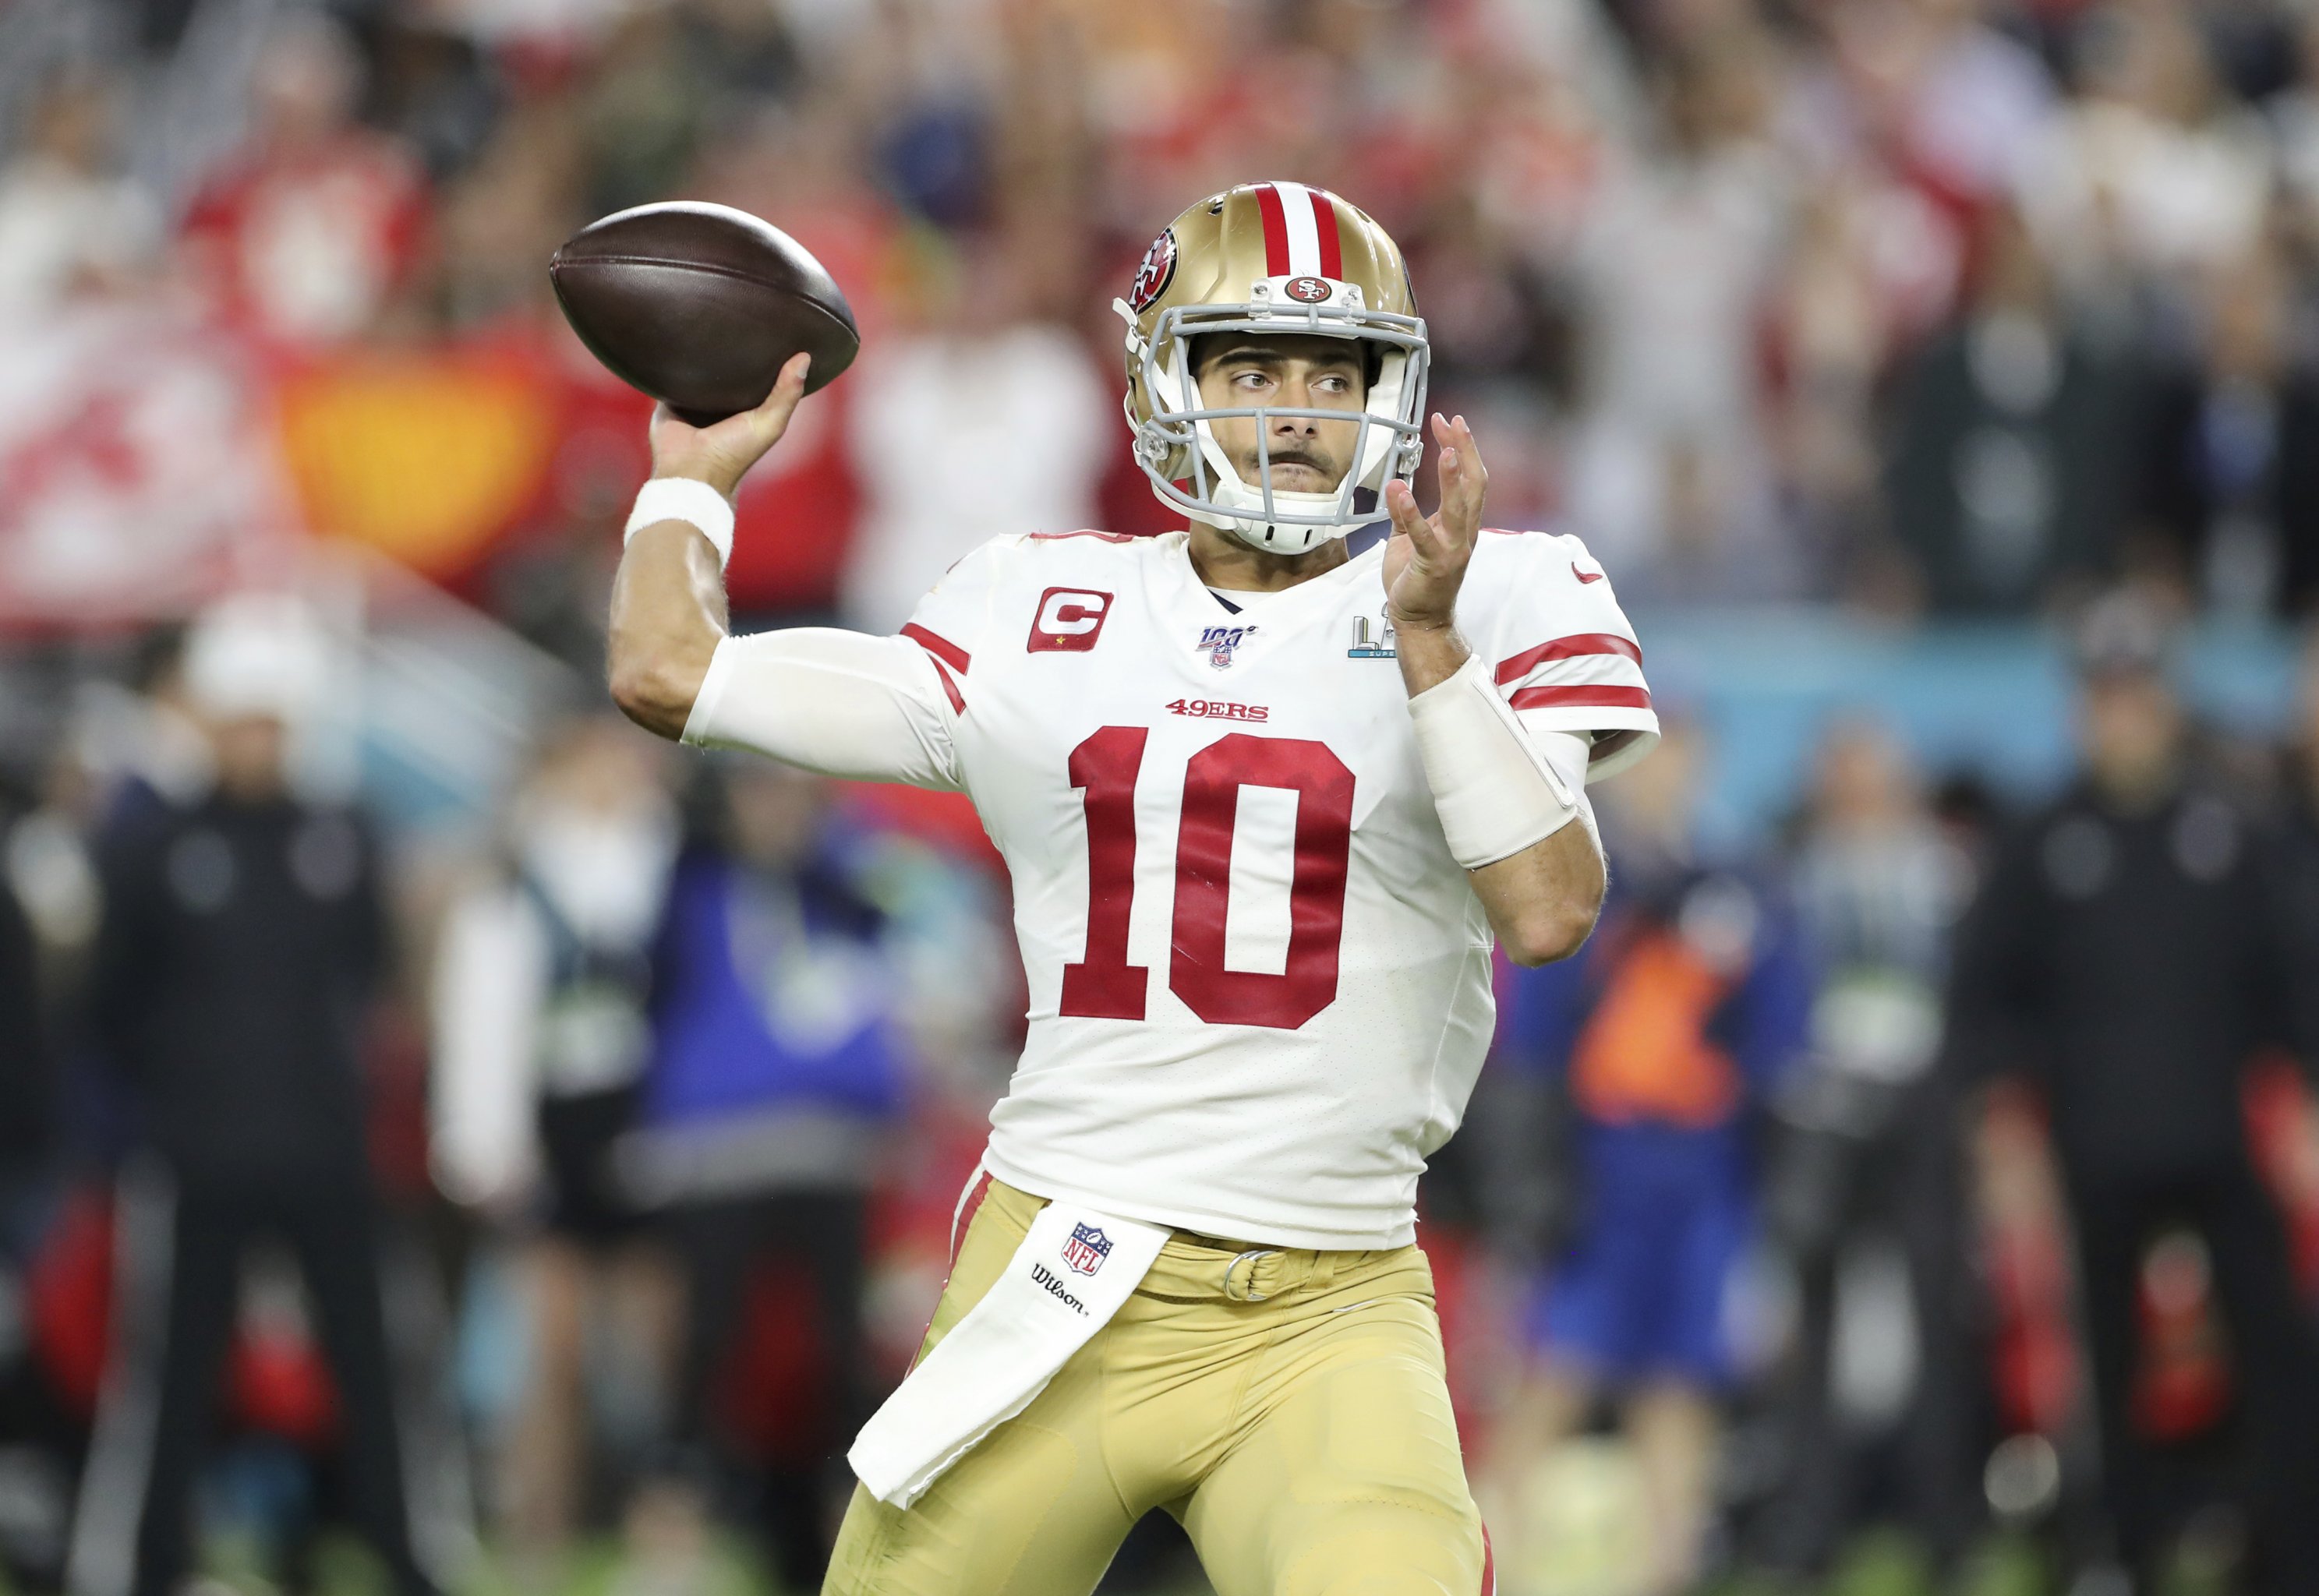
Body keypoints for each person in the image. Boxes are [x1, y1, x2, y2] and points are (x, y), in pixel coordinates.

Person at [602, 180, 1658, 1594]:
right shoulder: (1035, 603)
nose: (1295, 410)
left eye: (1333, 373)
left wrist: (1427, 642)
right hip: (1065, 1264)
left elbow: (1547, 908)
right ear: (1168, 383)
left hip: (1331, 1304)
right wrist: (690, 475)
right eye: (1252, 367)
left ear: (1393, 393)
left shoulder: (1502, 587)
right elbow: (674, 672)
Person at [66, 598, 444, 1596]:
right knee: (172, 1371)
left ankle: (408, 1548)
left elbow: (369, 981)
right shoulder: (155, 844)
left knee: (371, 1361)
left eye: (271, 720)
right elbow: (111, 1002)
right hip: (197, 1153)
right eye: (240, 718)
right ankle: (143, 1560)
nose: (255, 741)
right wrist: (162, 1110)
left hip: (324, 1148)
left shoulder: (341, 836)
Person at [1944, 595, 2319, 1595]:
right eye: (2104, 697)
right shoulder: (2041, 841)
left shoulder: (2228, 829)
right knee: (2102, 1367)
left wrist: (2306, 1112)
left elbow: (2287, 982)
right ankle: (2119, 1555)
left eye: (2138, 695)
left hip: (2219, 1137)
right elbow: (1981, 1000)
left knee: (2273, 1350)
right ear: (2082, 709)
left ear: (2164, 703)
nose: (2122, 717)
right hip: (2092, 1143)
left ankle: (2284, 1553)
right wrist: (1999, 1129)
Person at [1483, 722, 1812, 1596]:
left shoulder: (1737, 881)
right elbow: (1532, 1042)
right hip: (1601, 1162)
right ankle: (1485, 1563)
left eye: (1681, 746)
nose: (1665, 767)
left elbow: (1778, 1040)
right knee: (1558, 1364)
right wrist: (1532, 1180)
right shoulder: (1582, 877)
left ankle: (1663, 1570)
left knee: (1682, 1377)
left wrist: (1774, 1175)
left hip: (1704, 1167)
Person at [626, 760, 907, 1590]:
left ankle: (845, 1547)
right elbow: (652, 972)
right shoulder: (692, 879)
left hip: (832, 1146)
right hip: (719, 1149)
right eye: (754, 790)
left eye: (788, 791)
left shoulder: (850, 872)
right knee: (706, 1347)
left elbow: (899, 927)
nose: (771, 809)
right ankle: (674, 1544)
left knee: (838, 1353)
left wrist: (817, 855)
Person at [430, 711, 679, 1574]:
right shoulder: (516, 869)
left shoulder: (666, 857)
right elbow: (481, 1018)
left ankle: (663, 1539)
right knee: (553, 1350)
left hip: (649, 1116)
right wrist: (481, 1143)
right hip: (556, 1119)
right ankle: (540, 1533)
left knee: (652, 1350)